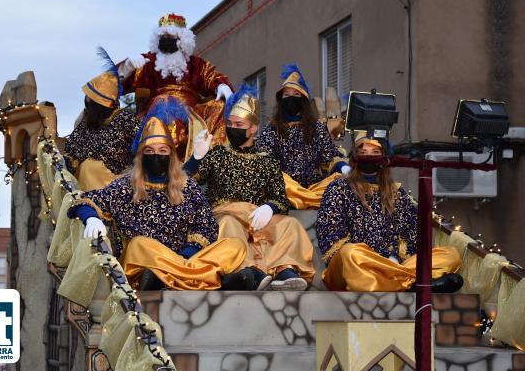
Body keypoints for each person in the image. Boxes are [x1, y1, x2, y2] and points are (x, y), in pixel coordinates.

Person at [68, 96, 253, 290]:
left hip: (182, 258)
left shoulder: (186, 186)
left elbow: (205, 225)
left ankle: (171, 276)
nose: (157, 155)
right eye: (150, 151)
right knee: (139, 245)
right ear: (141, 156)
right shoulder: (125, 186)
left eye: (163, 150)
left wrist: (185, 255)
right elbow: (84, 200)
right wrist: (90, 218)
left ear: (171, 156)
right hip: (145, 261)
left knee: (234, 246)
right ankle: (213, 279)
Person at [185, 85, 315, 290]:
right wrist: (196, 158)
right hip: (225, 211)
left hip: (257, 216)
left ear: (253, 128)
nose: (232, 127)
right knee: (228, 224)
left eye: (238, 124)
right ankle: (245, 271)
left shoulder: (268, 160)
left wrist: (270, 207)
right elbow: (184, 184)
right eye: (229, 123)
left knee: (290, 225)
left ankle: (284, 270)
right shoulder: (218, 154)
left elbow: (280, 198)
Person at [317, 133, 463, 292]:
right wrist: (375, 259)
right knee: (350, 253)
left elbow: (412, 235)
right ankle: (411, 282)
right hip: (358, 266)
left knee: (451, 254)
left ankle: (396, 280)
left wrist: (394, 258)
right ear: (355, 157)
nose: (369, 157)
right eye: (363, 153)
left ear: (384, 159)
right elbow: (330, 236)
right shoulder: (338, 188)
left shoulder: (397, 192)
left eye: (375, 153)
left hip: (394, 262)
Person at [117, 13, 234, 160]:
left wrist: (221, 86)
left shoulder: (195, 64)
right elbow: (112, 85)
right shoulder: (147, 62)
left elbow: (211, 76)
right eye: (163, 36)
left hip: (191, 112)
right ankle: (166, 160)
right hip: (156, 111)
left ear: (182, 40)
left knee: (220, 106)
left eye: (171, 36)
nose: (166, 40)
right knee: (165, 104)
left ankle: (211, 159)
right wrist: (126, 67)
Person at [256, 64, 349, 210]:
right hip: (285, 190)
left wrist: (343, 167)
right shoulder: (271, 129)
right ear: (281, 100)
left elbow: (329, 157)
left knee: (341, 182)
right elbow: (264, 161)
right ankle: (293, 200)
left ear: (303, 99)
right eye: (286, 95)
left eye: (296, 95)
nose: (291, 98)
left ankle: (307, 199)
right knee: (277, 179)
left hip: (315, 188)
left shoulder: (317, 127)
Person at [65, 48, 139, 191]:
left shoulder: (125, 120)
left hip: (117, 186)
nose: (86, 104)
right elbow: (72, 149)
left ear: (99, 105)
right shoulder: (88, 122)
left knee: (90, 168)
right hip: (85, 184)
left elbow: (144, 146)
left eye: (90, 101)